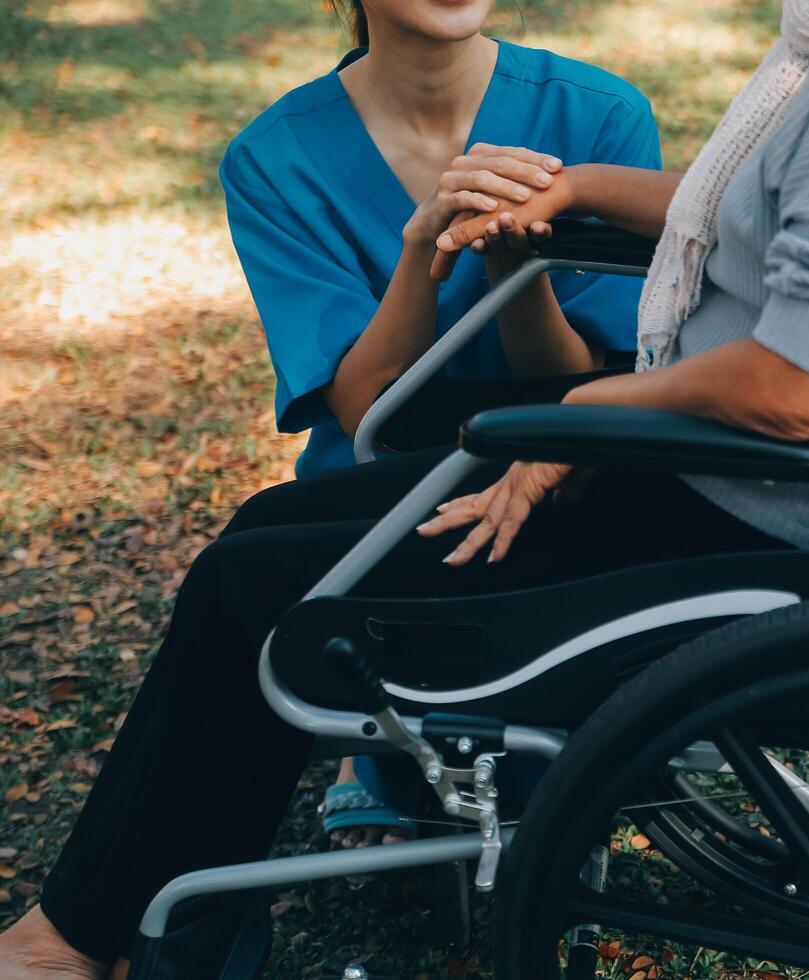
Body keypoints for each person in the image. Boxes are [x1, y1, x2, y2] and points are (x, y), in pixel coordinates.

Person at [0, 0, 809, 975]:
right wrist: (582, 190)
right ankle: (148, 905)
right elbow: (777, 218)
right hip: (732, 480)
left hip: (748, 514)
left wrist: (582, 422)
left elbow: (792, 387)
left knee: (259, 584)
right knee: (267, 529)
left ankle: (76, 935)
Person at [220, 0, 660, 845]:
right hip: (379, 476)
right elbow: (362, 409)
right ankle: (370, 743)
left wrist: (514, 267)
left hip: (551, 462)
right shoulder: (273, 156)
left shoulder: (600, 114)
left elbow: (588, 388)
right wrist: (428, 245)